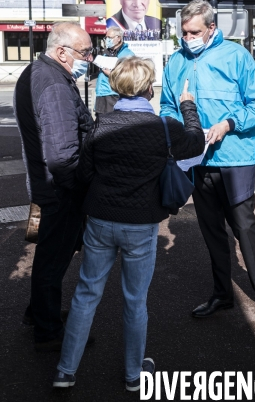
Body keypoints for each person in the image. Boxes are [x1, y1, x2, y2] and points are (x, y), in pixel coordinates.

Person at [53, 57, 204, 391]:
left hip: (100, 220)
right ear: (149, 89)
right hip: (140, 223)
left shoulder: (101, 125)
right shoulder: (166, 127)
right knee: (135, 300)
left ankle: (66, 371)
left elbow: (84, 174)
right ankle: (134, 375)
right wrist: (188, 106)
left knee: (86, 293)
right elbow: (196, 141)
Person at [160, 0, 255, 323]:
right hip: (197, 161)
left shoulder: (237, 57)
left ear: (211, 29)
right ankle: (222, 293)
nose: (186, 38)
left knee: (244, 227)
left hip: (236, 158)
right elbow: (166, 108)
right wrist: (180, 131)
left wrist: (229, 123)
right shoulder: (175, 61)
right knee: (212, 231)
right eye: (183, 31)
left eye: (194, 32)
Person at [14, 21, 95, 351]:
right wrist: (80, 187)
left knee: (53, 255)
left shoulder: (40, 72)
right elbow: (62, 157)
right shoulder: (56, 86)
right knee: (52, 259)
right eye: (85, 52)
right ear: (62, 52)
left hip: (47, 186)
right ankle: (47, 331)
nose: (90, 58)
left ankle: (39, 312)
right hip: (61, 191)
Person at [95, 26, 134, 116]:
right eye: (106, 37)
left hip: (114, 94)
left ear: (118, 38)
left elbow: (129, 76)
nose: (107, 40)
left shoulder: (127, 55)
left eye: (109, 37)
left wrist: (111, 74)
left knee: (111, 123)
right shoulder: (106, 53)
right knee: (100, 122)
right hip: (101, 93)